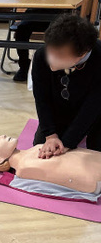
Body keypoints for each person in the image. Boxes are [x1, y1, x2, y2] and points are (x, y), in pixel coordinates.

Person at [31, 15, 101, 157]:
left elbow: (93, 106)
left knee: (96, 152)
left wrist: (68, 142)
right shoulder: (41, 55)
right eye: (50, 50)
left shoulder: (98, 57)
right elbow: (42, 99)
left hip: (96, 112)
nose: (52, 57)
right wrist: (51, 136)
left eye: (60, 54)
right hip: (60, 109)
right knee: (40, 148)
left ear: (82, 53)